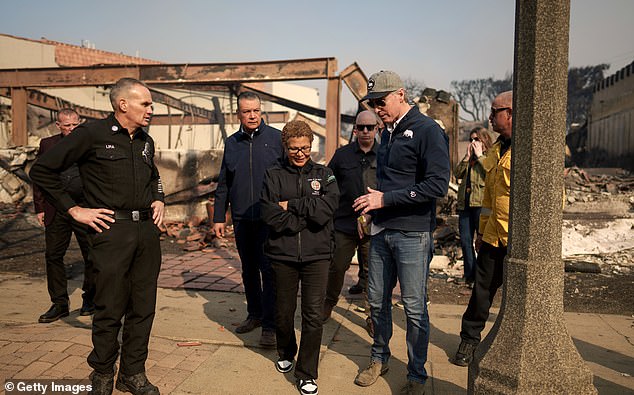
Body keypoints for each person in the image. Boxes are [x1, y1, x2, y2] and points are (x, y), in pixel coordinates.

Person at [30, 78, 164, 395]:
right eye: (145, 103)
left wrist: (159, 197)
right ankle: (103, 372)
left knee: (143, 307)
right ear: (123, 105)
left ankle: (133, 373)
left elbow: (155, 176)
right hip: (110, 231)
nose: (151, 109)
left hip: (146, 232)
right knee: (109, 305)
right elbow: (42, 171)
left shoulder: (146, 140)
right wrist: (74, 209)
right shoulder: (91, 135)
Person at [352, 71, 450, 395]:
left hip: (412, 234)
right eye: (373, 103)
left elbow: (436, 185)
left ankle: (417, 375)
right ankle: (379, 359)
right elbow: (389, 183)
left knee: (414, 307)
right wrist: (372, 207)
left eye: (381, 102)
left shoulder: (428, 131)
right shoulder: (387, 134)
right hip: (382, 231)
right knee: (376, 301)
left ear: (401, 95)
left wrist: (386, 199)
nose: (377, 108)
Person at [260, 120, 339, 395]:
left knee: (313, 315)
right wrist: (303, 220)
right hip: (283, 254)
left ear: (311, 145)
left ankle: (306, 373)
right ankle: (286, 350)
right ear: (286, 146)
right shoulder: (272, 175)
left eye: (305, 147)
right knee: (283, 312)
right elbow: (269, 213)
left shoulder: (325, 174)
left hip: (317, 256)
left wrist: (293, 206)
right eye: (294, 148)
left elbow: (327, 209)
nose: (300, 153)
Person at [212, 92, 284, 348]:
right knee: (248, 269)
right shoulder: (232, 143)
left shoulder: (277, 139)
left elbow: (288, 176)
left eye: (255, 110)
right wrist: (219, 217)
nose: (252, 115)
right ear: (238, 114)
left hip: (269, 219)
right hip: (242, 218)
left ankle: (270, 325)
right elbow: (224, 183)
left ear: (261, 110)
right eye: (246, 111)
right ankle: (254, 314)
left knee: (269, 270)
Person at [452, 91, 513, 367]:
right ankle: (469, 339)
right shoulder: (497, 150)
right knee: (482, 290)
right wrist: (481, 232)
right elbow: (489, 199)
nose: (490, 117)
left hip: (520, 240)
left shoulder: (531, 148)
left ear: (510, 113)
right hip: (493, 237)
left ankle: (513, 346)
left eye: (494, 111)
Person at [32, 108, 96, 323]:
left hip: (84, 208)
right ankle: (59, 304)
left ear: (80, 123)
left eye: (75, 125)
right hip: (56, 208)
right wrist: (39, 207)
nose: (71, 129)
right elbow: (39, 176)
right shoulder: (48, 144)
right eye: (67, 125)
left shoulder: (89, 143)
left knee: (92, 255)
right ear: (58, 125)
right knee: (53, 256)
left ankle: (90, 299)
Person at [324, 110, 378, 336]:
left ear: (377, 129)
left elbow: (393, 186)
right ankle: (327, 305)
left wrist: (373, 213)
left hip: (375, 224)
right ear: (355, 129)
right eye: (361, 127)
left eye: (370, 127)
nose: (365, 131)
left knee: (374, 272)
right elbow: (328, 178)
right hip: (345, 223)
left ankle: (373, 315)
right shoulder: (343, 155)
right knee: (336, 266)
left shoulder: (386, 155)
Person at [454, 126, 493, 286]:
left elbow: (491, 173)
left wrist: (480, 156)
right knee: (465, 240)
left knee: (482, 242)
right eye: (471, 139)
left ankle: (481, 277)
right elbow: (457, 174)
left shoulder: (489, 156)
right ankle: (469, 275)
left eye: (476, 139)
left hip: (481, 204)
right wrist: (466, 157)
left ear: (484, 140)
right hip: (465, 204)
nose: (473, 142)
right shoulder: (469, 158)